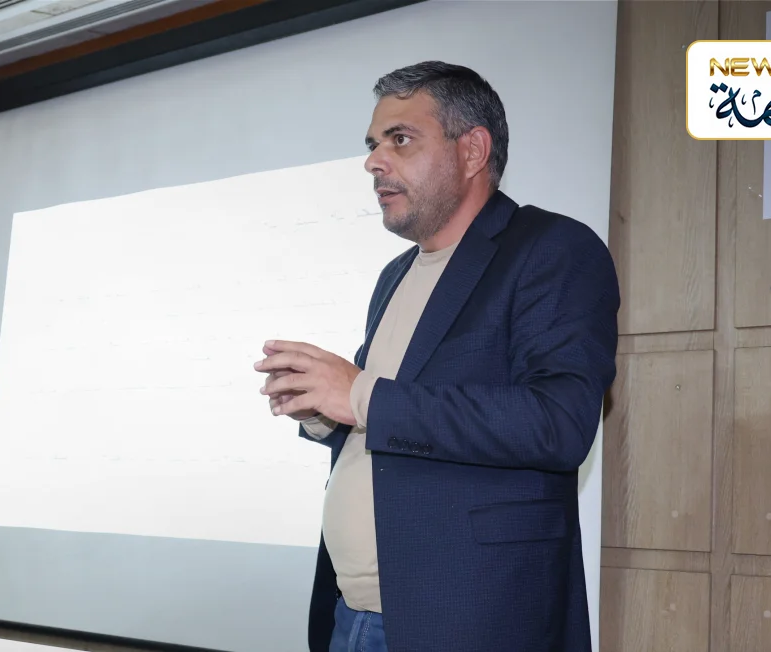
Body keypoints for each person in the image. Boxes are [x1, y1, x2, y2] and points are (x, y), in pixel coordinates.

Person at [253, 61, 619, 652]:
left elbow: (558, 423)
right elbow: (394, 423)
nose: (374, 162)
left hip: (464, 621)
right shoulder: (394, 276)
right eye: (372, 145)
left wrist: (360, 394)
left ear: (472, 150)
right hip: (353, 615)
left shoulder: (551, 249)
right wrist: (325, 414)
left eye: (399, 139)